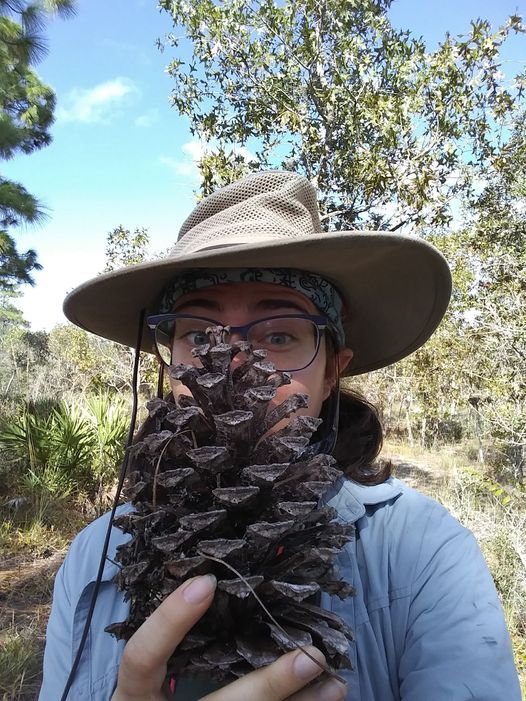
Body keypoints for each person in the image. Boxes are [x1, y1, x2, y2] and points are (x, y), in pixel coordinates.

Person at [39, 171, 520, 700]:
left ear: (333, 370)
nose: (234, 361)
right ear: (167, 360)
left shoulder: (424, 553)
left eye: (280, 334)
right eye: (198, 335)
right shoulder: (93, 558)